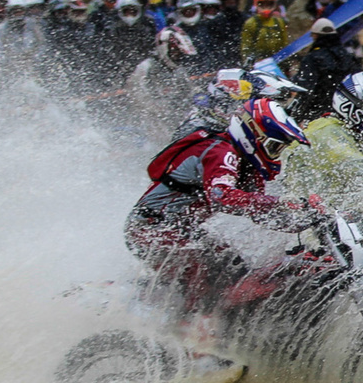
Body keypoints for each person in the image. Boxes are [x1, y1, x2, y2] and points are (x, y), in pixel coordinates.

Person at [124, 97, 314, 315]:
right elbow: (221, 195)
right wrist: (281, 201)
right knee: (204, 274)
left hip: (183, 230)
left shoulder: (246, 164)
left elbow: (258, 213)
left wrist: (308, 220)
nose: (276, 154)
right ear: (254, 133)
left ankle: (227, 324)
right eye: (274, 146)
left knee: (235, 268)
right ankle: (194, 332)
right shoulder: (221, 151)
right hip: (149, 228)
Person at [129, 27, 200, 130]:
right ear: (165, 48)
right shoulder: (147, 66)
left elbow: (188, 91)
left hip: (173, 117)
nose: (177, 56)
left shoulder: (179, 70)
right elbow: (136, 93)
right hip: (148, 120)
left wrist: (199, 96)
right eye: (174, 52)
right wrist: (160, 107)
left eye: (179, 53)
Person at [292, 18, 362, 119]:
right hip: (348, 109)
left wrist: (298, 115)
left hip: (320, 111)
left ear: (316, 35)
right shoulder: (347, 56)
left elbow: (305, 86)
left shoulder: (312, 57)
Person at [241, 0, 289, 67]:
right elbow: (246, 46)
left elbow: (284, 43)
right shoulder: (251, 23)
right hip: (258, 61)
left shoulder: (279, 22)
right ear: (257, 4)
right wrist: (250, 63)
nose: (266, 7)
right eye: (262, 4)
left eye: (269, 4)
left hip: (277, 61)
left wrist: (286, 64)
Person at [203, 0, 245, 69]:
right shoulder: (215, 22)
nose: (231, 3)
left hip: (242, 57)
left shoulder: (245, 19)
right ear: (223, 3)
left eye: (233, 0)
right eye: (228, 1)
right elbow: (211, 45)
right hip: (223, 61)